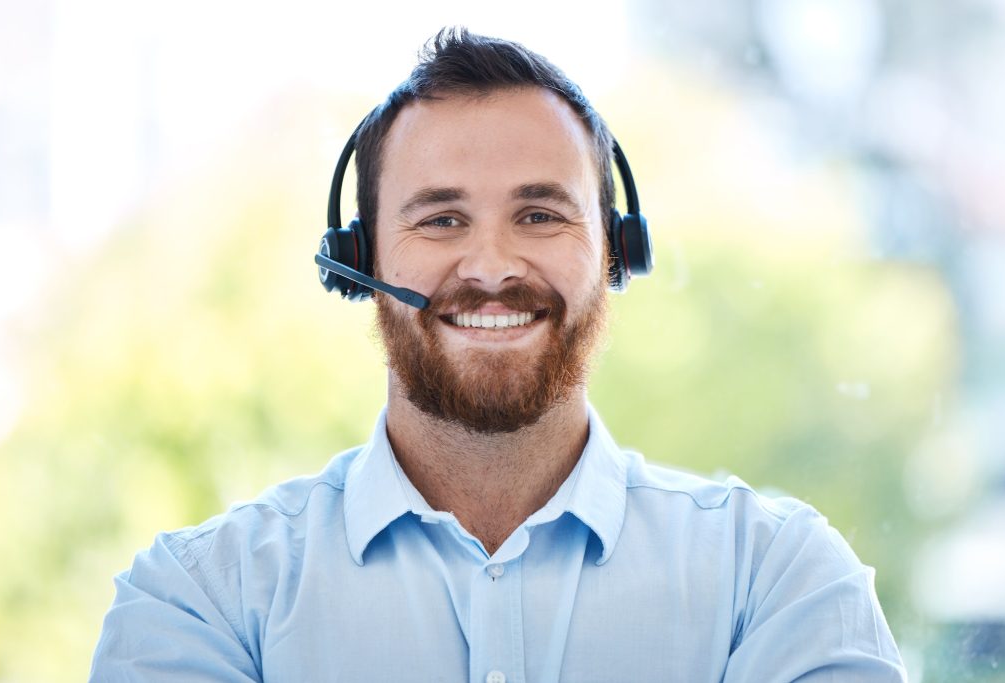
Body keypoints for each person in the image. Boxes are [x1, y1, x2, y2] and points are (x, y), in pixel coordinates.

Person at [91, 28, 907, 682]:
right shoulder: (205, 598)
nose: (490, 267)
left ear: (618, 252)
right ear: (360, 260)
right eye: (441, 220)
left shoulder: (774, 581)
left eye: (541, 215)